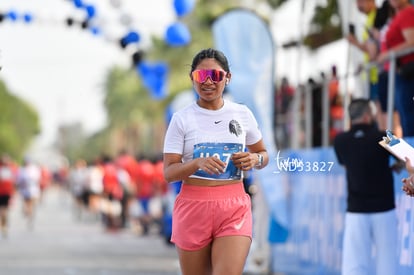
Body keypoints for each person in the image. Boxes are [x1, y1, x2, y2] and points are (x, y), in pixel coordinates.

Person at [163, 48, 269, 275]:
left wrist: (254, 158)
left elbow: (263, 155)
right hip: (193, 207)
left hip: (234, 207)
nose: (208, 82)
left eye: (216, 76)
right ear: (192, 78)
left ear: (227, 78)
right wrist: (196, 164)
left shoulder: (242, 114)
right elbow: (169, 173)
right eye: (201, 76)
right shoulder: (181, 119)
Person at [333, 98, 397, 275]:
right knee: (387, 262)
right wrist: (397, 166)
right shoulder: (384, 136)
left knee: (354, 265)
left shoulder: (340, 141)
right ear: (368, 116)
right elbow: (409, 157)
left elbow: (347, 164)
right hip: (384, 208)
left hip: (356, 209)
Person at [377, 0, 414, 137]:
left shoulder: (408, 13)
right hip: (400, 73)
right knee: (404, 117)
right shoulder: (399, 16)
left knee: (408, 118)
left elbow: (412, 42)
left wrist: (388, 54)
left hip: (408, 73)